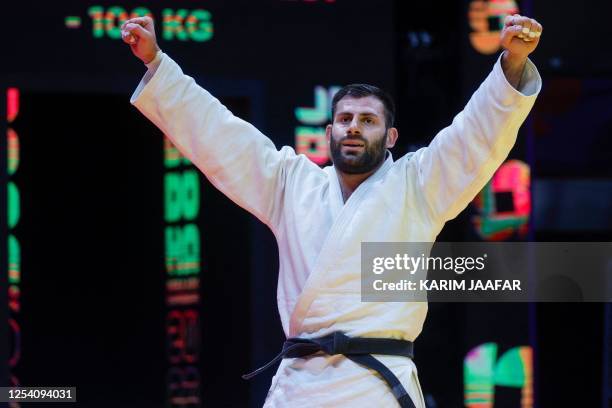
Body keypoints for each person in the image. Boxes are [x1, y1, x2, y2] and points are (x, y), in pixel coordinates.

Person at [121, 14, 542, 408]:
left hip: (376, 386)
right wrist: (157, 63)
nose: (354, 126)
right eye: (344, 119)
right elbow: (219, 136)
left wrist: (512, 64)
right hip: (301, 385)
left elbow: (475, 136)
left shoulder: (418, 185)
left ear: (391, 135)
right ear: (329, 133)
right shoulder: (291, 184)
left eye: (367, 120)